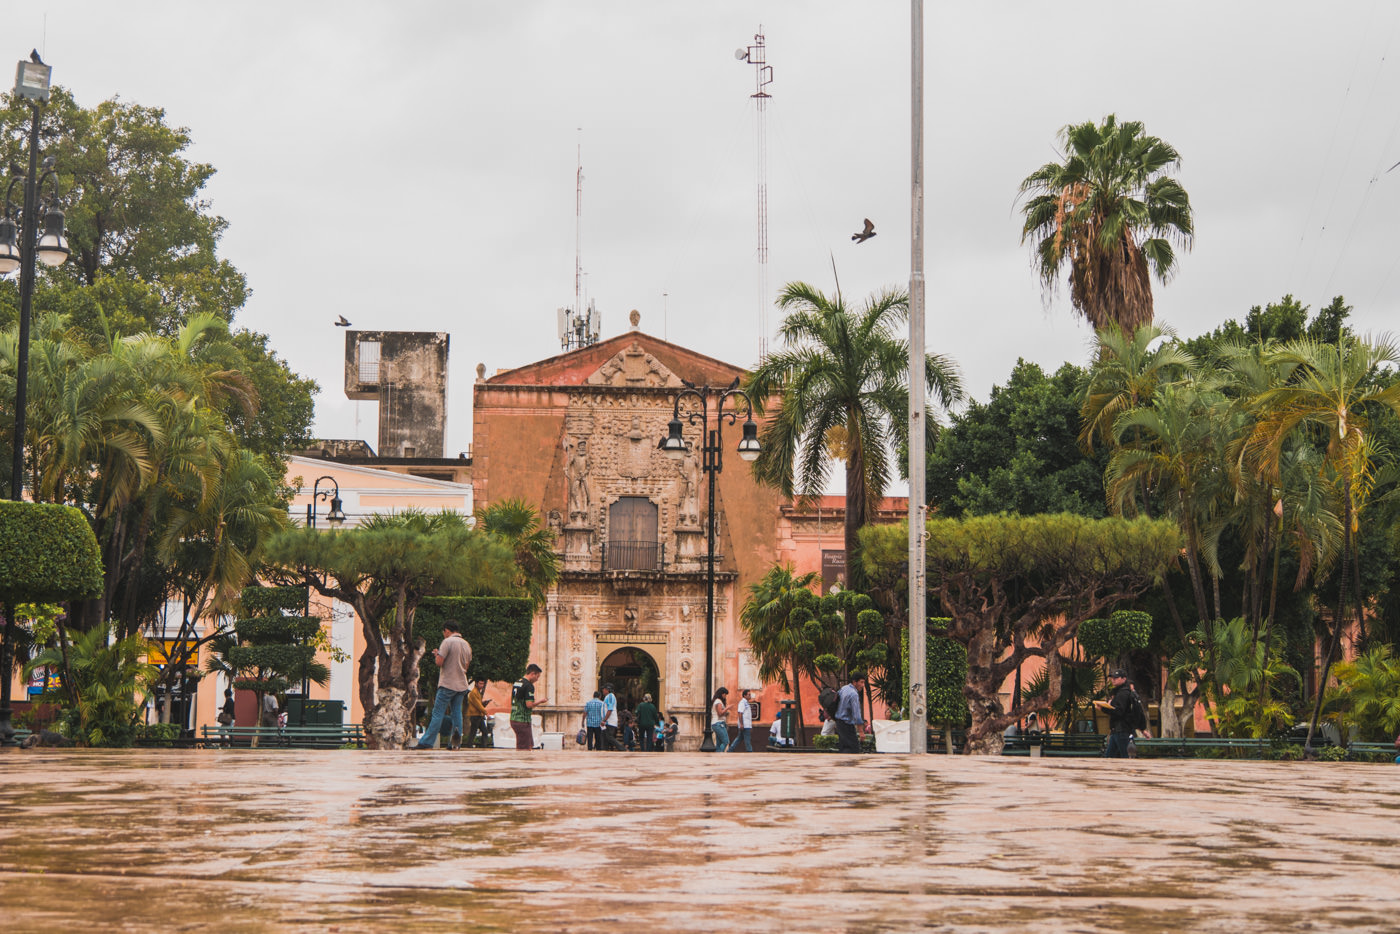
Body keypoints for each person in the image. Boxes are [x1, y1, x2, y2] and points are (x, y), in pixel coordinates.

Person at [414, 621, 473, 750]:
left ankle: (427, 742)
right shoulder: (466, 644)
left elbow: (439, 662)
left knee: (437, 713)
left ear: (447, 630)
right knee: (457, 713)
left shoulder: (447, 642)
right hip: (461, 684)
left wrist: (437, 655)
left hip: (447, 683)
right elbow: (466, 666)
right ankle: (455, 743)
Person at [1094, 668, 1136, 758]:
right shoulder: (1119, 692)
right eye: (1112, 678)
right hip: (1116, 730)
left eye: (1116, 678)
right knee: (1110, 756)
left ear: (1124, 679)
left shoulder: (1123, 693)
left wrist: (1103, 709)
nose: (1113, 680)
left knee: (1125, 756)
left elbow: (1119, 711)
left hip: (1122, 729)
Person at [510, 663, 543, 750]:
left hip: (514, 718)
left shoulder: (517, 682)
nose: (537, 679)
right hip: (522, 720)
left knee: (525, 744)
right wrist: (540, 701)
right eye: (537, 677)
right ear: (532, 674)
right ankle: (523, 763)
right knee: (525, 748)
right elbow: (529, 705)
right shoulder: (529, 686)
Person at [834, 671, 867, 753]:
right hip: (847, 724)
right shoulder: (854, 694)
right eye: (861, 682)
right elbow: (857, 715)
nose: (863, 685)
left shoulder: (844, 688)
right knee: (853, 749)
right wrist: (861, 732)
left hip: (839, 723)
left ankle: (843, 764)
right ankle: (849, 765)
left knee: (843, 747)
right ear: (854, 682)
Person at [464, 677, 493, 749]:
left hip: (478, 715)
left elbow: (479, 704)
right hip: (475, 716)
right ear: (476, 683)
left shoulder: (477, 692)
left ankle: (482, 746)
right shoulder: (473, 693)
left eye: (483, 684)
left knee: (484, 732)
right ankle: (470, 746)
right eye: (480, 683)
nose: (482, 685)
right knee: (474, 732)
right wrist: (486, 713)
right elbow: (478, 705)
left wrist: (485, 703)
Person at [601, 683, 622, 750]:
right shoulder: (607, 697)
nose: (602, 690)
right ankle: (605, 750)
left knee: (609, 737)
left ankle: (621, 748)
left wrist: (604, 720)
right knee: (605, 738)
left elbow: (610, 709)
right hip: (607, 721)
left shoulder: (610, 696)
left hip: (610, 721)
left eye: (604, 689)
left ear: (607, 690)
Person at [709, 687, 730, 752]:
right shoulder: (718, 701)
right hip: (718, 723)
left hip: (717, 723)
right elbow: (720, 713)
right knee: (726, 741)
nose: (725, 696)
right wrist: (727, 708)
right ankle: (719, 753)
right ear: (722, 694)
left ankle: (717, 755)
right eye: (725, 694)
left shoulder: (717, 701)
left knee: (719, 743)